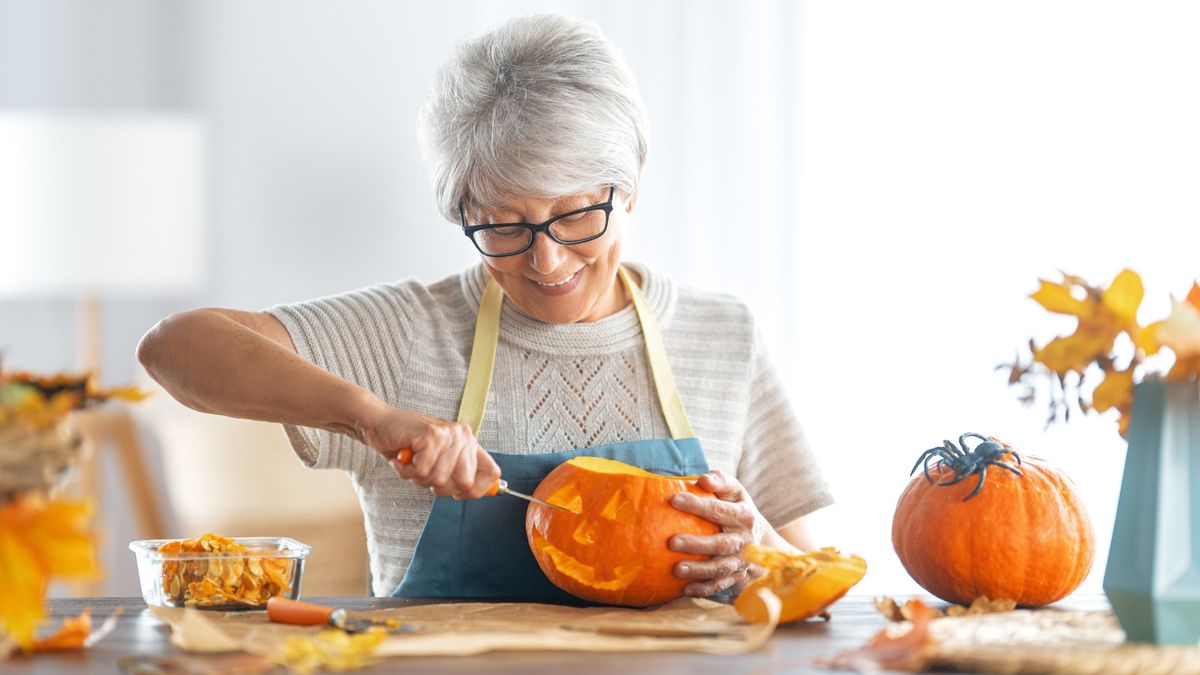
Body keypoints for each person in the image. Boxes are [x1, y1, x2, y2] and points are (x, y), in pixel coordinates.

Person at [137, 14, 832, 600]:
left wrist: (755, 551)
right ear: (460, 208)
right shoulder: (411, 334)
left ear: (632, 183)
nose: (547, 259)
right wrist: (374, 419)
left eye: (577, 215)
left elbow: (814, 582)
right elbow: (173, 347)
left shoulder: (724, 336)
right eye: (504, 224)